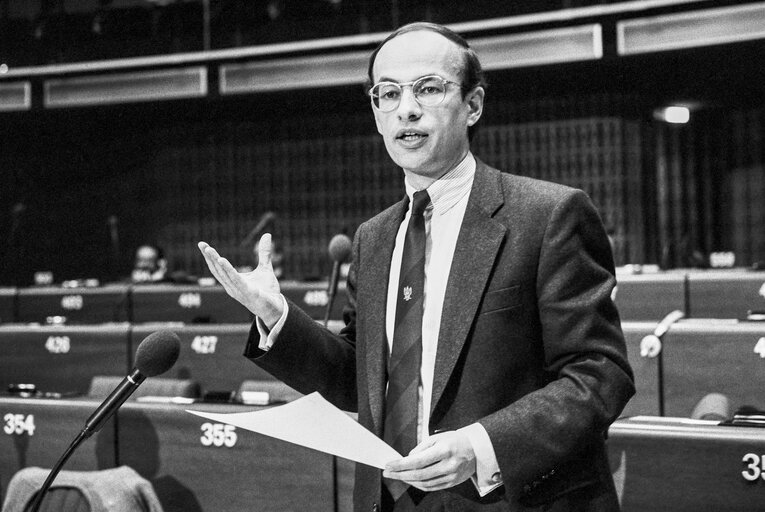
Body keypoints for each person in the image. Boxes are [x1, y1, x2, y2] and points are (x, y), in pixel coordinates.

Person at [199, 22, 634, 512]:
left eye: (428, 88)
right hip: (390, 498)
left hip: (510, 499)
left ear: (473, 105)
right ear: (377, 113)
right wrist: (278, 318)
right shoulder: (374, 237)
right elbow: (359, 379)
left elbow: (598, 375)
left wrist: (481, 445)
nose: (406, 108)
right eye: (388, 94)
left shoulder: (548, 214)